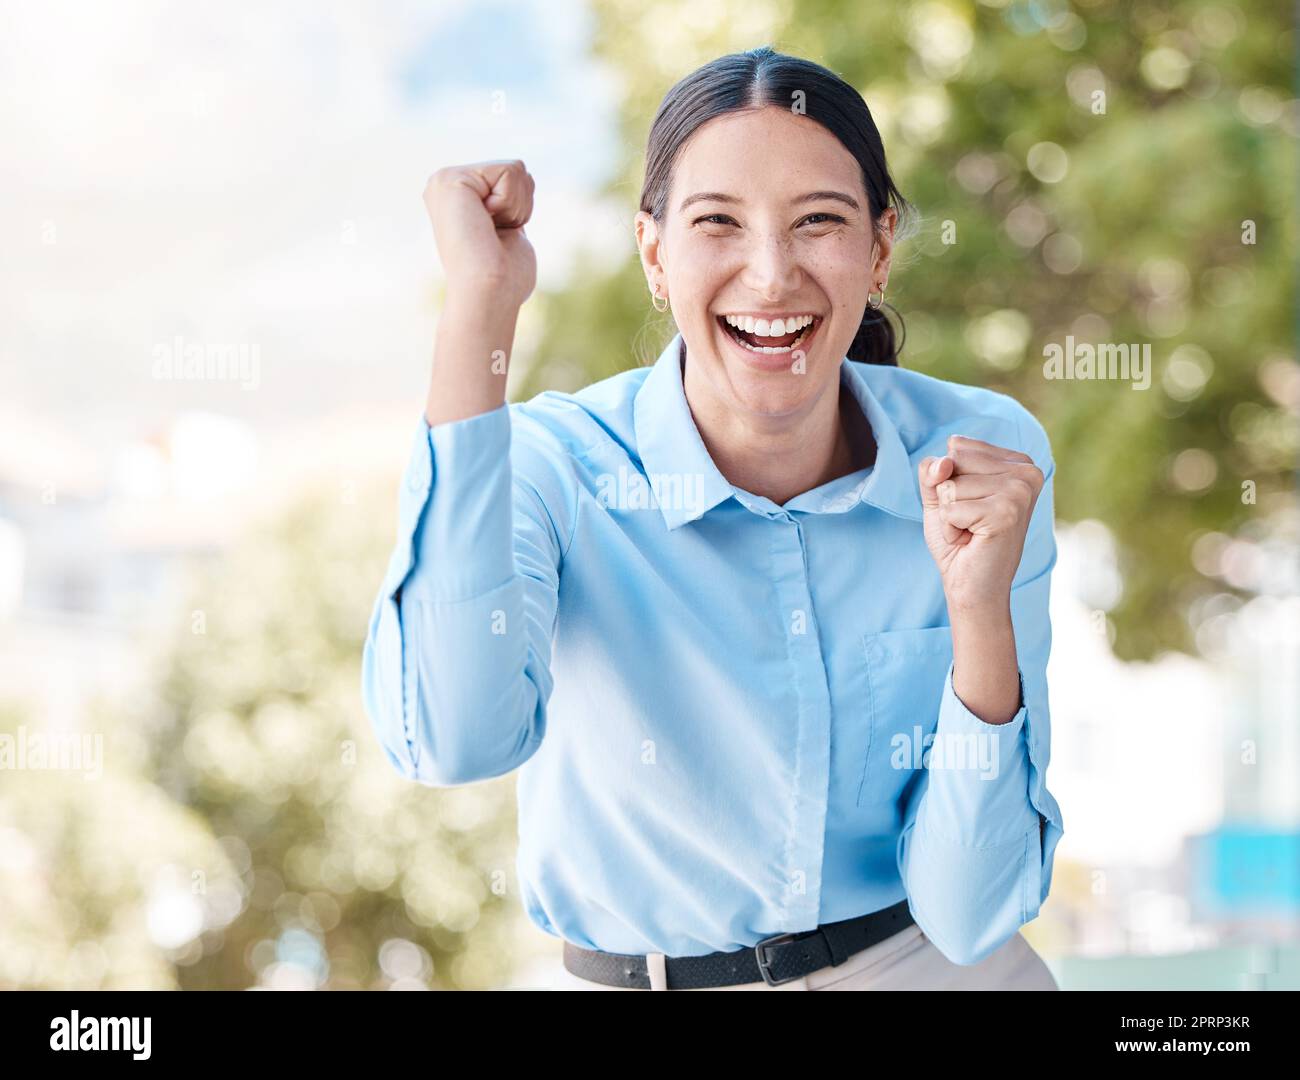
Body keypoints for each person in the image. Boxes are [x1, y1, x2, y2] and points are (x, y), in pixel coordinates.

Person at [361, 46, 1064, 991]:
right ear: (655, 253)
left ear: (881, 248)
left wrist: (977, 612)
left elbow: (972, 910)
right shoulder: (556, 468)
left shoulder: (980, 454)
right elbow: (454, 739)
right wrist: (481, 311)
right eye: (717, 224)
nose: (771, 277)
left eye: (819, 222)